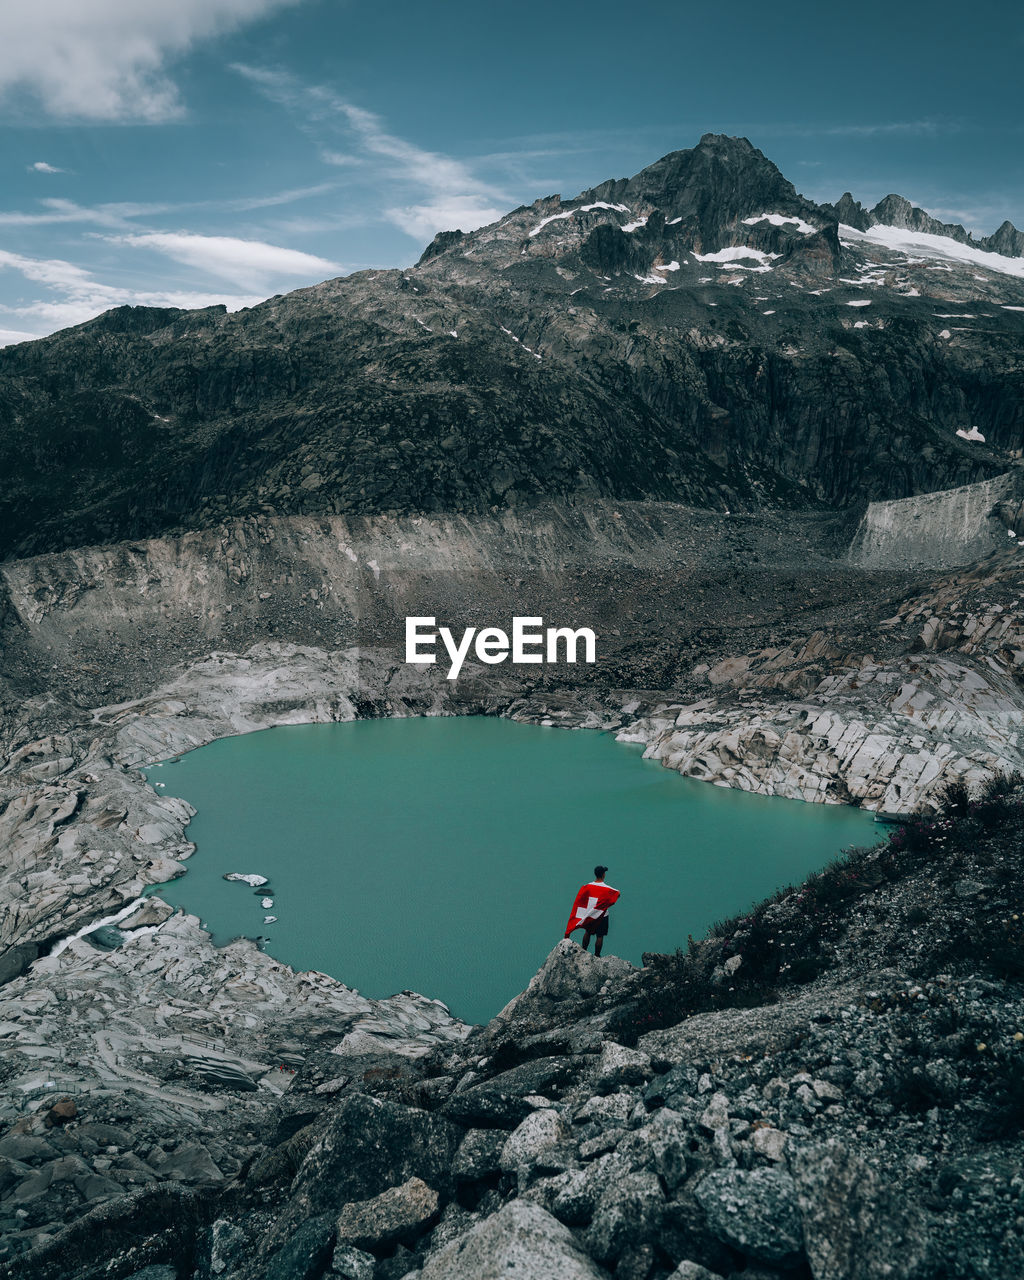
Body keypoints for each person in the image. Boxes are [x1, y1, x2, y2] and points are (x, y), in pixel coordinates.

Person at [564, 865, 620, 957]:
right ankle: (597, 955)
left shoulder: (587, 886)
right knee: (600, 936)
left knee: (588, 932)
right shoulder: (607, 889)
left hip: (590, 914)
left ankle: (583, 950)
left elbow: (580, 898)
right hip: (602, 915)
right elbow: (617, 893)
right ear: (603, 875)